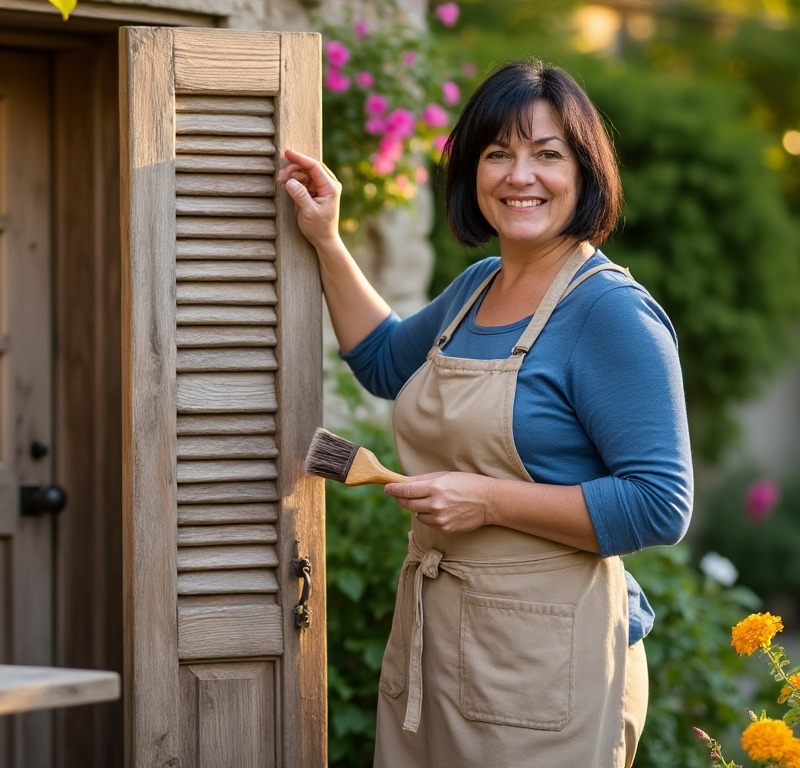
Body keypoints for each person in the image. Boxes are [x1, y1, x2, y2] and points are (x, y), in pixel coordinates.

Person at [277, 59, 692, 767]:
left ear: (586, 173)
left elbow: (659, 505)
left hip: (551, 663)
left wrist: (488, 501)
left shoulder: (610, 313)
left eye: (547, 155)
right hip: (441, 639)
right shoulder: (478, 287)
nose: (518, 175)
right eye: (498, 153)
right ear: (473, 171)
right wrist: (326, 238)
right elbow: (383, 361)